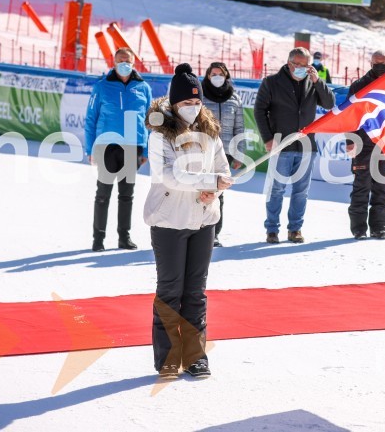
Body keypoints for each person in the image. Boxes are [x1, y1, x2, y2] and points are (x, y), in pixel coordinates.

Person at [143, 63, 232, 380]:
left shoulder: (210, 130)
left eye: (196, 102)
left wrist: (216, 191)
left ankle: (195, 356)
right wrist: (207, 182)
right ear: (173, 103)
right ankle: (167, 358)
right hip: (169, 221)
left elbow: (223, 170)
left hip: (204, 222)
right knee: (170, 291)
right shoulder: (159, 134)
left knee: (195, 292)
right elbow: (166, 176)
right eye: (186, 103)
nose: (192, 108)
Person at [254, 47, 335, 244]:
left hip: (306, 147)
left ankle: (295, 229)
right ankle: (272, 229)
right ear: (290, 63)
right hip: (281, 145)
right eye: (298, 64)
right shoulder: (271, 82)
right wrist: (268, 138)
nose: (302, 68)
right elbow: (259, 110)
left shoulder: (313, 82)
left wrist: (318, 81)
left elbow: (329, 103)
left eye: (306, 65)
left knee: (301, 191)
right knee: (277, 190)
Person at [85, 47, 152, 252]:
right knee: (103, 194)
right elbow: (91, 118)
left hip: (132, 147)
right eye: (121, 60)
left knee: (127, 195)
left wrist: (146, 151)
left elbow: (149, 122)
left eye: (128, 60)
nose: (125, 63)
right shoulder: (102, 87)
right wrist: (90, 149)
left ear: (134, 63)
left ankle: (124, 237)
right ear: (113, 63)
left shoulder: (143, 88)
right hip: (107, 146)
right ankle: (99, 238)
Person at [345, 51, 385, 240]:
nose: (379, 67)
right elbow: (348, 115)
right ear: (370, 63)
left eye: (383, 64)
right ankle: (358, 228)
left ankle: (379, 227)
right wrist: (350, 141)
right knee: (361, 187)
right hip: (363, 144)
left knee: (382, 188)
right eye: (376, 64)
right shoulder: (359, 86)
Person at [201, 62, 245, 247]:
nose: (217, 77)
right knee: (200, 189)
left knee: (219, 193)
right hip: (202, 151)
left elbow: (239, 128)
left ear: (226, 76)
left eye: (221, 73)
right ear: (208, 76)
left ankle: (214, 233)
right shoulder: (201, 96)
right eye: (213, 74)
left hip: (225, 153)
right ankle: (197, 229)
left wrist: (239, 154)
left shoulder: (234, 98)